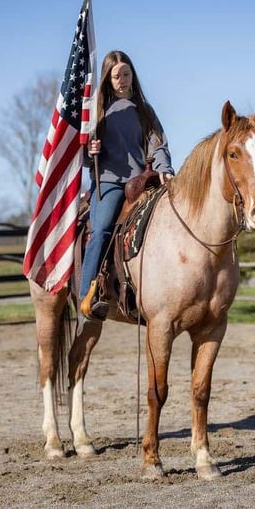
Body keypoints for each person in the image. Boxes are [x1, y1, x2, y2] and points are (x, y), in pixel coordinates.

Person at [79, 50, 174, 320]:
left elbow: (159, 144)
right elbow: (84, 156)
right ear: (108, 79)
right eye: (115, 75)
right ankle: (87, 293)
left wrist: (165, 169)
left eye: (126, 73)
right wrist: (91, 150)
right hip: (108, 181)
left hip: (139, 181)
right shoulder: (98, 111)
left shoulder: (144, 110)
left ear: (133, 75)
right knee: (102, 229)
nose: (121, 79)